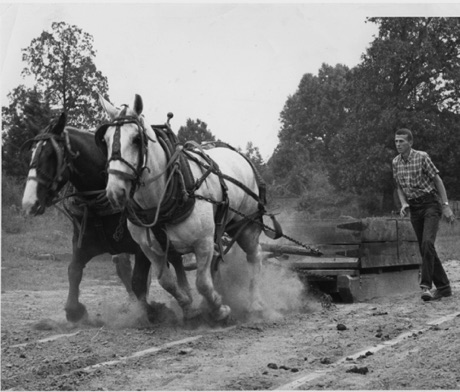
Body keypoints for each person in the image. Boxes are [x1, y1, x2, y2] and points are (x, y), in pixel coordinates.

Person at [393, 128, 455, 301]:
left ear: (410, 143)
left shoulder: (422, 157)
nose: (398, 144)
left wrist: (446, 205)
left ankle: (425, 285)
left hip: (430, 204)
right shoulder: (395, 162)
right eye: (396, 141)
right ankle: (444, 287)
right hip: (414, 207)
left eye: (402, 141)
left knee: (427, 243)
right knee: (426, 248)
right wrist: (404, 203)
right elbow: (399, 187)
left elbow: (437, 180)